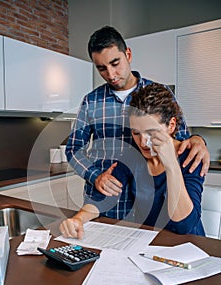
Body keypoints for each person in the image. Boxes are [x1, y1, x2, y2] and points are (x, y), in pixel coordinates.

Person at [65, 26, 209, 222]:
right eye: (101, 68)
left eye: (115, 63)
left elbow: (180, 137)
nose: (111, 74)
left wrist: (198, 139)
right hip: (106, 200)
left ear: (128, 54)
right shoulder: (91, 101)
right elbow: (74, 149)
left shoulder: (158, 92)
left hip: (152, 200)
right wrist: (96, 175)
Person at [60, 83, 205, 238]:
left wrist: (171, 164)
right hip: (149, 244)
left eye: (151, 132)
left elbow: (183, 225)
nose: (143, 142)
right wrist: (78, 219)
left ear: (171, 125)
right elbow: (102, 198)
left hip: (189, 247)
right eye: (136, 133)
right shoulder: (132, 157)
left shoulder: (191, 156)